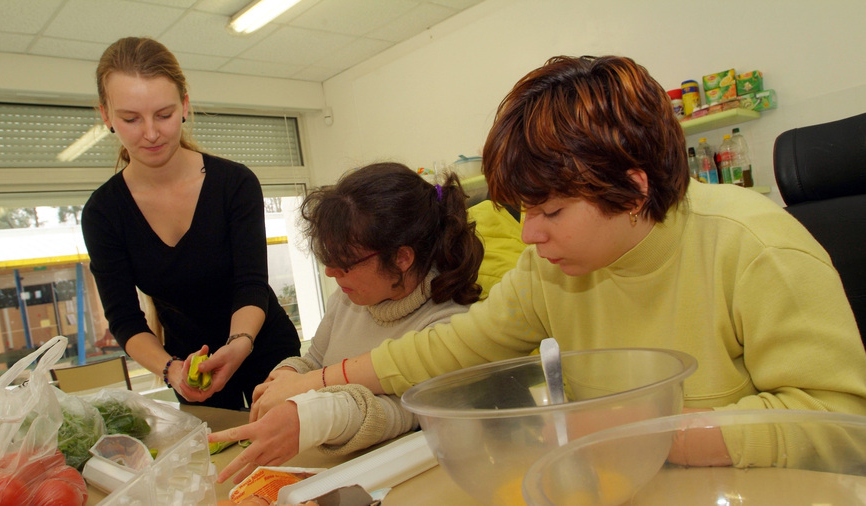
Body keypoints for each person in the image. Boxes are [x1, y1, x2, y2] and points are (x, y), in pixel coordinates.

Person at [252, 55, 866, 468]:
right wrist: (317, 381)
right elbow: (452, 348)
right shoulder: (551, 269)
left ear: (633, 187)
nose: (529, 236)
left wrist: (634, 431)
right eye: (524, 211)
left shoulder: (751, 247)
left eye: (549, 210)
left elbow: (838, 420)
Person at [208, 162, 485, 483]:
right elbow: (314, 361)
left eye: (345, 263)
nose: (330, 273)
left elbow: (402, 413)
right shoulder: (350, 297)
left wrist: (315, 417)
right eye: (329, 260)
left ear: (402, 257)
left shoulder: (449, 324)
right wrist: (287, 374)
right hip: (329, 469)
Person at [81, 37, 301, 410]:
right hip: (188, 369)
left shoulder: (235, 184)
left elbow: (251, 285)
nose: (150, 133)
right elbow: (125, 319)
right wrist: (171, 370)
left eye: (163, 114)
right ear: (106, 116)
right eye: (131, 118)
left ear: (184, 105)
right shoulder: (103, 213)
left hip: (262, 343)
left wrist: (237, 346)